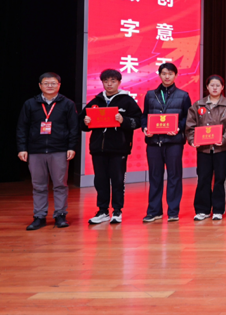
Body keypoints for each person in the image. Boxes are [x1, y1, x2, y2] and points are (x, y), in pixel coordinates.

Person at [16, 72, 79, 231]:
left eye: (53, 83)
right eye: (46, 83)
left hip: (59, 150)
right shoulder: (30, 104)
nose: (49, 86)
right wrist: (22, 148)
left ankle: (60, 215)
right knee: (38, 185)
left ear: (59, 85)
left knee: (60, 184)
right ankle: (39, 216)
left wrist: (71, 147)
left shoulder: (67, 104)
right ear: (40, 85)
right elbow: (22, 127)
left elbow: (73, 128)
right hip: (35, 150)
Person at [80, 68, 142, 225]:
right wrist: (86, 122)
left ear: (119, 82)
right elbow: (81, 122)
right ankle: (102, 211)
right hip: (98, 149)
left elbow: (138, 121)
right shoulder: (96, 101)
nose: (109, 84)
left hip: (119, 148)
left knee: (117, 180)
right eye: (106, 81)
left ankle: (117, 211)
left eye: (113, 81)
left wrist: (123, 120)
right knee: (100, 181)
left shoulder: (127, 101)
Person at [141, 62, 192, 223]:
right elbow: (145, 115)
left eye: (170, 73)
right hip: (154, 142)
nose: (167, 76)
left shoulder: (183, 95)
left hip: (174, 142)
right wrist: (145, 128)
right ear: (159, 75)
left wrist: (178, 127)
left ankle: (173, 211)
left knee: (174, 177)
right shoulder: (150, 95)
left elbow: (188, 118)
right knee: (154, 177)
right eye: (164, 73)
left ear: (175, 75)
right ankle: (154, 211)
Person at [186, 75, 226, 221]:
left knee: (220, 178)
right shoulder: (198, 105)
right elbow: (190, 126)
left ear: (222, 87)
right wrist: (193, 140)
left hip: (222, 149)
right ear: (207, 87)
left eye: (218, 85)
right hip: (203, 149)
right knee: (203, 178)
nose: (215, 88)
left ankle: (218, 209)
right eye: (212, 85)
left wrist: (223, 139)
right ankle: (202, 210)